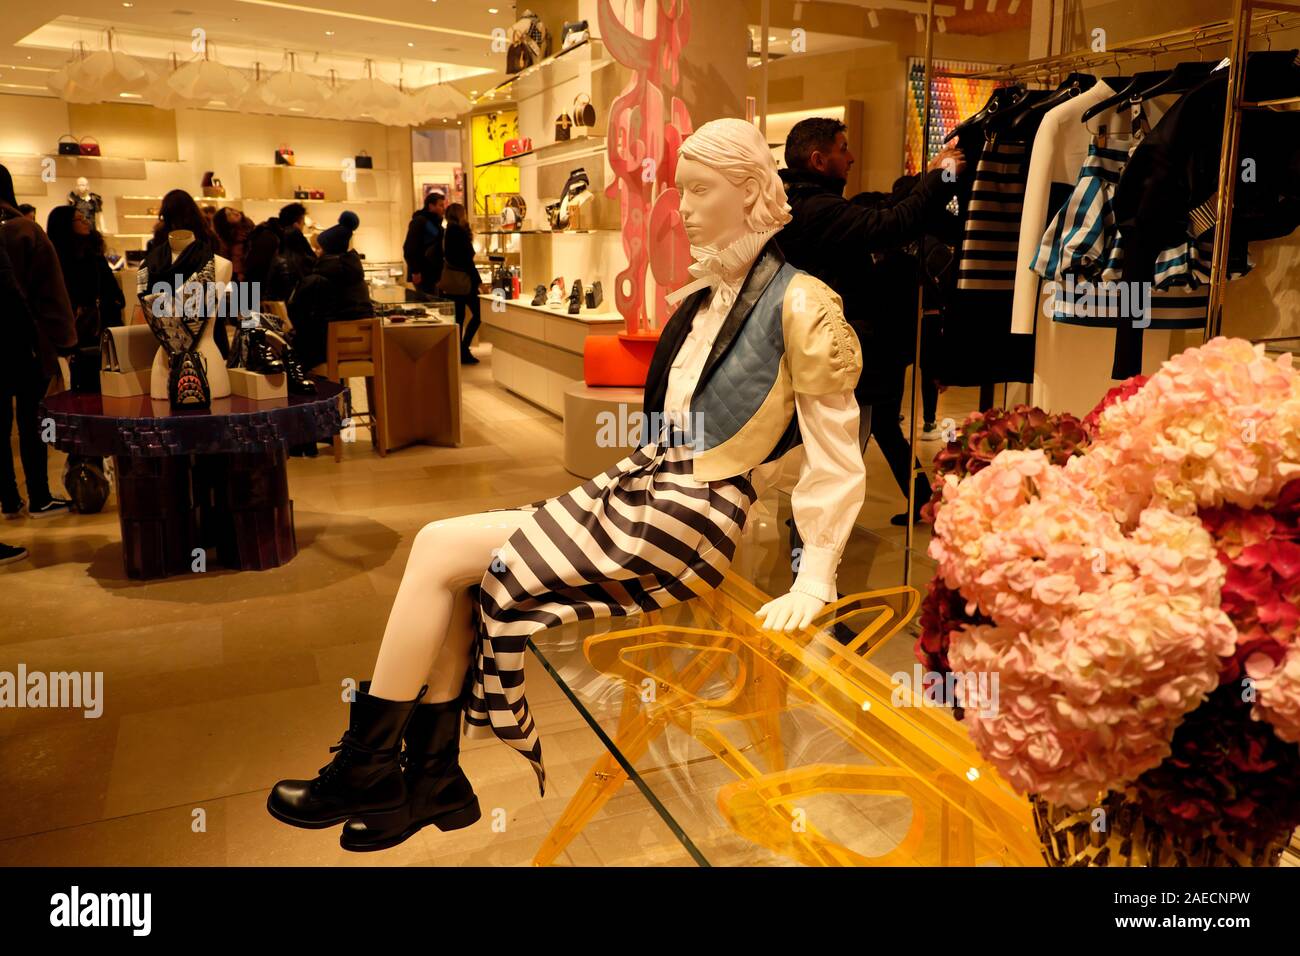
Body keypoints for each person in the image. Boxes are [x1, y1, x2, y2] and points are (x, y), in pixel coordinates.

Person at [265, 118, 867, 852]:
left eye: (700, 191)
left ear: (749, 192)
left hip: (691, 514)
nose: (685, 209)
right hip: (648, 488)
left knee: (436, 545)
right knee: (455, 568)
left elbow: (837, 458)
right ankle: (427, 780)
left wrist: (815, 578)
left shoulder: (805, 303)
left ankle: (376, 771)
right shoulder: (711, 294)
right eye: (682, 192)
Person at [777, 117, 964, 525]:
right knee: (843, 437)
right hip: (839, 346)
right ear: (818, 159)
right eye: (843, 149)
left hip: (829, 344)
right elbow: (890, 224)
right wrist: (935, 179)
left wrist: (928, 177)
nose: (851, 157)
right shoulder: (818, 209)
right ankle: (818, 520)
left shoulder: (797, 202)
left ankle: (913, 501)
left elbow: (887, 213)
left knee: (861, 428)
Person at [0, 163, 77, 522]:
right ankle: (39, 495)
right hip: (28, 342)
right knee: (33, 421)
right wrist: (65, 342)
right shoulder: (26, 231)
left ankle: (9, 498)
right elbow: (52, 293)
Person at [45, 206, 125, 390]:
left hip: (99, 325)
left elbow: (112, 291)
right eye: (79, 219)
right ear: (66, 225)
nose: (86, 222)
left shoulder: (93, 254)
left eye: (85, 218)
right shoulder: (56, 258)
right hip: (73, 329)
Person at [288, 211, 370, 370]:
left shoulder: (318, 278)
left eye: (319, 248)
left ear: (326, 250)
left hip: (326, 350)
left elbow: (297, 312)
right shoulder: (357, 275)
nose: (316, 252)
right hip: (360, 348)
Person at [441, 203, 482, 364]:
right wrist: (477, 280)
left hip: (452, 280)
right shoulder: (457, 231)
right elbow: (468, 256)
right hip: (464, 281)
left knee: (458, 317)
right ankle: (463, 349)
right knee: (479, 314)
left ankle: (458, 351)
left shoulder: (447, 231)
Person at [402, 191, 445, 296]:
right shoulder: (420, 221)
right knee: (429, 304)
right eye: (441, 205)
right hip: (423, 273)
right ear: (431, 206)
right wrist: (416, 271)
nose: (443, 208)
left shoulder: (435, 223)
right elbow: (409, 247)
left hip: (433, 273)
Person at [276, 202, 317, 291]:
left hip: (260, 294)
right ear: (296, 223)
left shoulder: (276, 237)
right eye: (303, 221)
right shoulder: (295, 237)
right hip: (288, 297)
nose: (304, 225)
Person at [212, 207, 254, 282]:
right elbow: (234, 257)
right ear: (224, 222)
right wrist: (240, 273)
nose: (234, 212)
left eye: (232, 210)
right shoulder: (228, 239)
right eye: (229, 214)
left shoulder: (248, 224)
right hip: (240, 275)